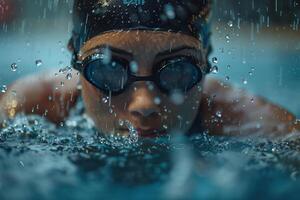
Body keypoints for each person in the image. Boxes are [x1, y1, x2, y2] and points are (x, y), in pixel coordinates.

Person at [0, 0, 299, 137]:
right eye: (108, 71)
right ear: (75, 60)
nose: (144, 105)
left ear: (206, 61)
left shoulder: (243, 118)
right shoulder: (34, 104)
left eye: (178, 72)